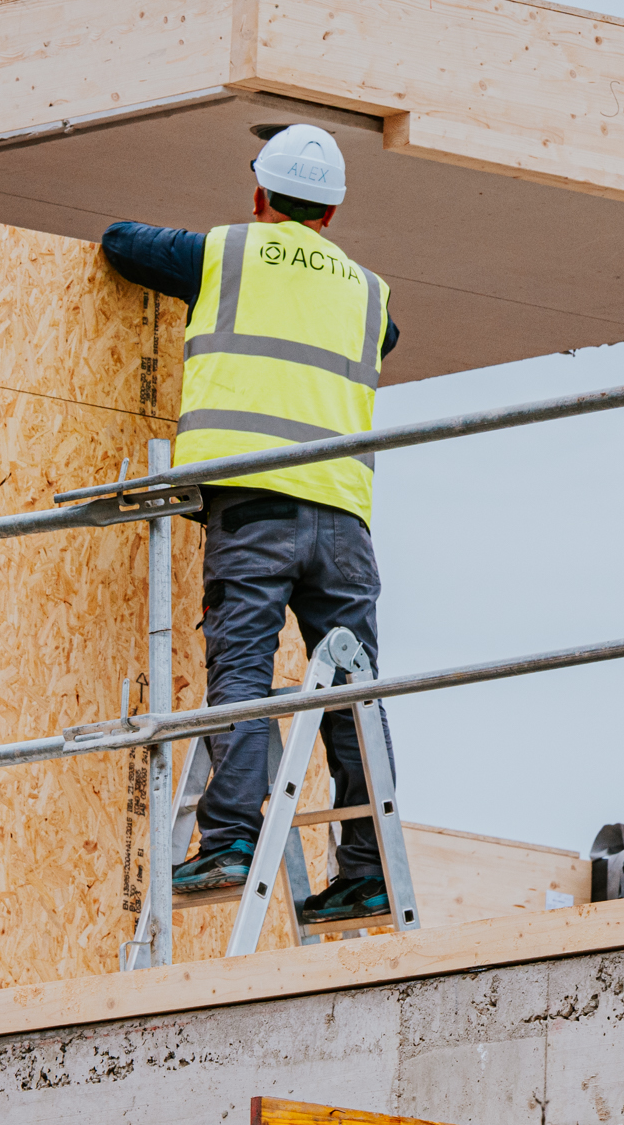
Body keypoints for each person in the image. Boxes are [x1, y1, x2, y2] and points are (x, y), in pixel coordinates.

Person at [100, 123, 403, 926]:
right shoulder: (369, 293)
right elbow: (389, 342)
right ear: (332, 214)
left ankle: (231, 838)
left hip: (255, 506)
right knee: (354, 693)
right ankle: (371, 869)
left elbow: (121, 242)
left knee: (240, 667)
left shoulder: (224, 255)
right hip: (342, 518)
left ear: (259, 193)